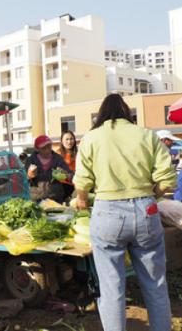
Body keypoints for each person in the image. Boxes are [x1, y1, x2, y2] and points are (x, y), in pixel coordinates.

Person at [74, 94, 176, 331]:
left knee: (112, 287)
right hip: (146, 210)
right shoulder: (146, 134)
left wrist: (80, 200)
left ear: (102, 113)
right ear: (126, 113)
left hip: (107, 212)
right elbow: (168, 180)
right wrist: (153, 193)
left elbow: (82, 182)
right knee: (156, 284)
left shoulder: (91, 137)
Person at [24, 135, 72, 203]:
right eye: (43, 148)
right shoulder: (30, 160)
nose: (47, 150)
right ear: (37, 149)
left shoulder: (58, 159)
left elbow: (70, 176)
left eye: (49, 146)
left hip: (55, 198)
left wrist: (65, 174)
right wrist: (28, 176)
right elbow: (22, 180)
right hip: (36, 198)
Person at [56, 130, 77, 200]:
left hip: (76, 186)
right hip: (61, 187)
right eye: (67, 139)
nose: (69, 142)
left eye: (71, 139)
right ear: (62, 141)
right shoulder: (57, 154)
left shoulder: (79, 153)